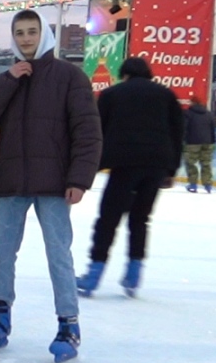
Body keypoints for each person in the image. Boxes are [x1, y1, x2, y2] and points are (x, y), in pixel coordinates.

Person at [0, 10, 102, 363]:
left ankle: (68, 325)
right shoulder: (9, 77)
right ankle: (0, 318)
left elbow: (87, 132)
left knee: (59, 253)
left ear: (44, 34)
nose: (26, 38)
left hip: (55, 183)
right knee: (1, 252)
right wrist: (8, 80)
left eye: (32, 31)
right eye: (20, 32)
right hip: (12, 180)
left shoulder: (69, 77)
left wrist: (78, 179)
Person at [77, 57, 184, 299]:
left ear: (123, 74)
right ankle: (133, 275)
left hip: (124, 165)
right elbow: (178, 133)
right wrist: (171, 169)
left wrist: (91, 165)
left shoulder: (112, 94)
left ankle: (93, 275)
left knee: (108, 219)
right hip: (156, 165)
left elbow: (97, 132)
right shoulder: (166, 95)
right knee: (140, 219)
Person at [183, 93, 216, 193]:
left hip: (192, 142)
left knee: (191, 163)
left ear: (192, 102)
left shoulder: (188, 113)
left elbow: (184, 128)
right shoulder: (208, 114)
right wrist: (213, 141)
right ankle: (208, 185)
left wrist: (183, 139)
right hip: (207, 142)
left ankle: (193, 184)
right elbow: (212, 129)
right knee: (206, 163)